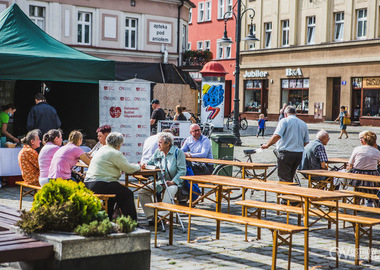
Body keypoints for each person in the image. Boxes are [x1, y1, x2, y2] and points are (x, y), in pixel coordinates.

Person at [84, 132, 143, 220]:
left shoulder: (101, 149)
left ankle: (108, 219)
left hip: (89, 183)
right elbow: (128, 168)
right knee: (127, 194)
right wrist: (139, 166)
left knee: (113, 194)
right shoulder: (115, 153)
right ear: (119, 144)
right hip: (102, 183)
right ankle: (132, 223)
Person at [139, 132, 186, 224]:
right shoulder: (158, 152)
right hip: (160, 181)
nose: (158, 144)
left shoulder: (178, 153)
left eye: (160, 143)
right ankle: (151, 217)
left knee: (170, 189)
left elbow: (182, 171)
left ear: (168, 144)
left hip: (174, 183)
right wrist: (145, 166)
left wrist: (173, 182)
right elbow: (150, 163)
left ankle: (162, 216)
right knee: (142, 191)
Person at [262, 106, 309, 183]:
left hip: (286, 153)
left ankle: (285, 194)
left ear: (285, 114)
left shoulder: (284, 121)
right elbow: (306, 141)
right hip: (298, 154)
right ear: (295, 114)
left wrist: (267, 145)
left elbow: (277, 136)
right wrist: (297, 146)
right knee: (290, 175)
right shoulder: (303, 123)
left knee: (284, 178)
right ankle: (289, 193)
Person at [348, 131, 380, 206]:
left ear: (364, 141)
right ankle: (375, 204)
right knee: (375, 186)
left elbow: (350, 164)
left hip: (357, 179)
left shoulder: (357, 149)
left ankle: (357, 203)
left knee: (358, 185)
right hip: (372, 180)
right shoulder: (377, 152)